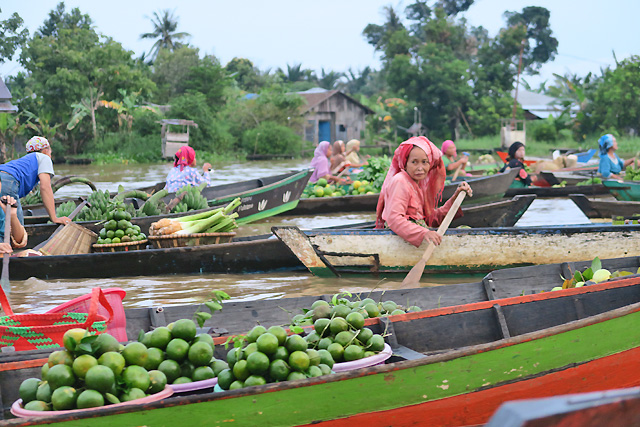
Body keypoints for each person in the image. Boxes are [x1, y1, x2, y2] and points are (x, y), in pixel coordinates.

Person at [375, 136, 473, 248]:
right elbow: (394, 218)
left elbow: (431, 219)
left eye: (424, 162)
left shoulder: (418, 184)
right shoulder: (400, 181)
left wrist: (455, 198)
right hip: (400, 243)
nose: (420, 168)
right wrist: (424, 233)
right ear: (405, 163)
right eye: (414, 162)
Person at [0, 136, 70, 225]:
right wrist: (54, 218)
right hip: (7, 180)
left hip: (3, 177)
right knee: (17, 228)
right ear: (45, 150)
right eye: (50, 150)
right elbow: (45, 187)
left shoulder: (25, 161)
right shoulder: (44, 157)